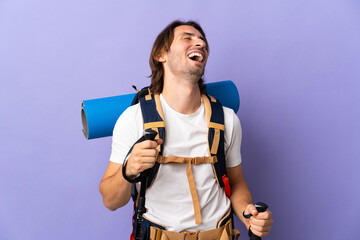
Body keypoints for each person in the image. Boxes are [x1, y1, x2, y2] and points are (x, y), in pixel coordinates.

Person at [99, 20, 273, 239]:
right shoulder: (134, 119)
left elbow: (236, 182)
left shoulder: (227, 120)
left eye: (203, 41)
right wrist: (128, 170)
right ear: (161, 54)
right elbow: (111, 201)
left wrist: (249, 215)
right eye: (187, 38)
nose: (200, 43)